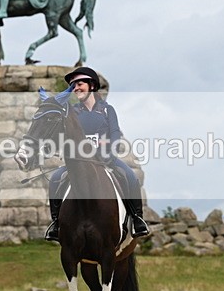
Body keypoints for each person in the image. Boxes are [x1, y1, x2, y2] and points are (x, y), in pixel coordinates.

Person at [44, 66, 150, 242]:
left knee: (130, 177)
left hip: (106, 158)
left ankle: (137, 220)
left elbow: (115, 133)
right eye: (73, 85)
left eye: (79, 84)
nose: (75, 88)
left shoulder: (107, 110)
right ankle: (56, 223)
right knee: (56, 178)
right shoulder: (73, 112)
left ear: (91, 85)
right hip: (80, 161)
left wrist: (109, 149)